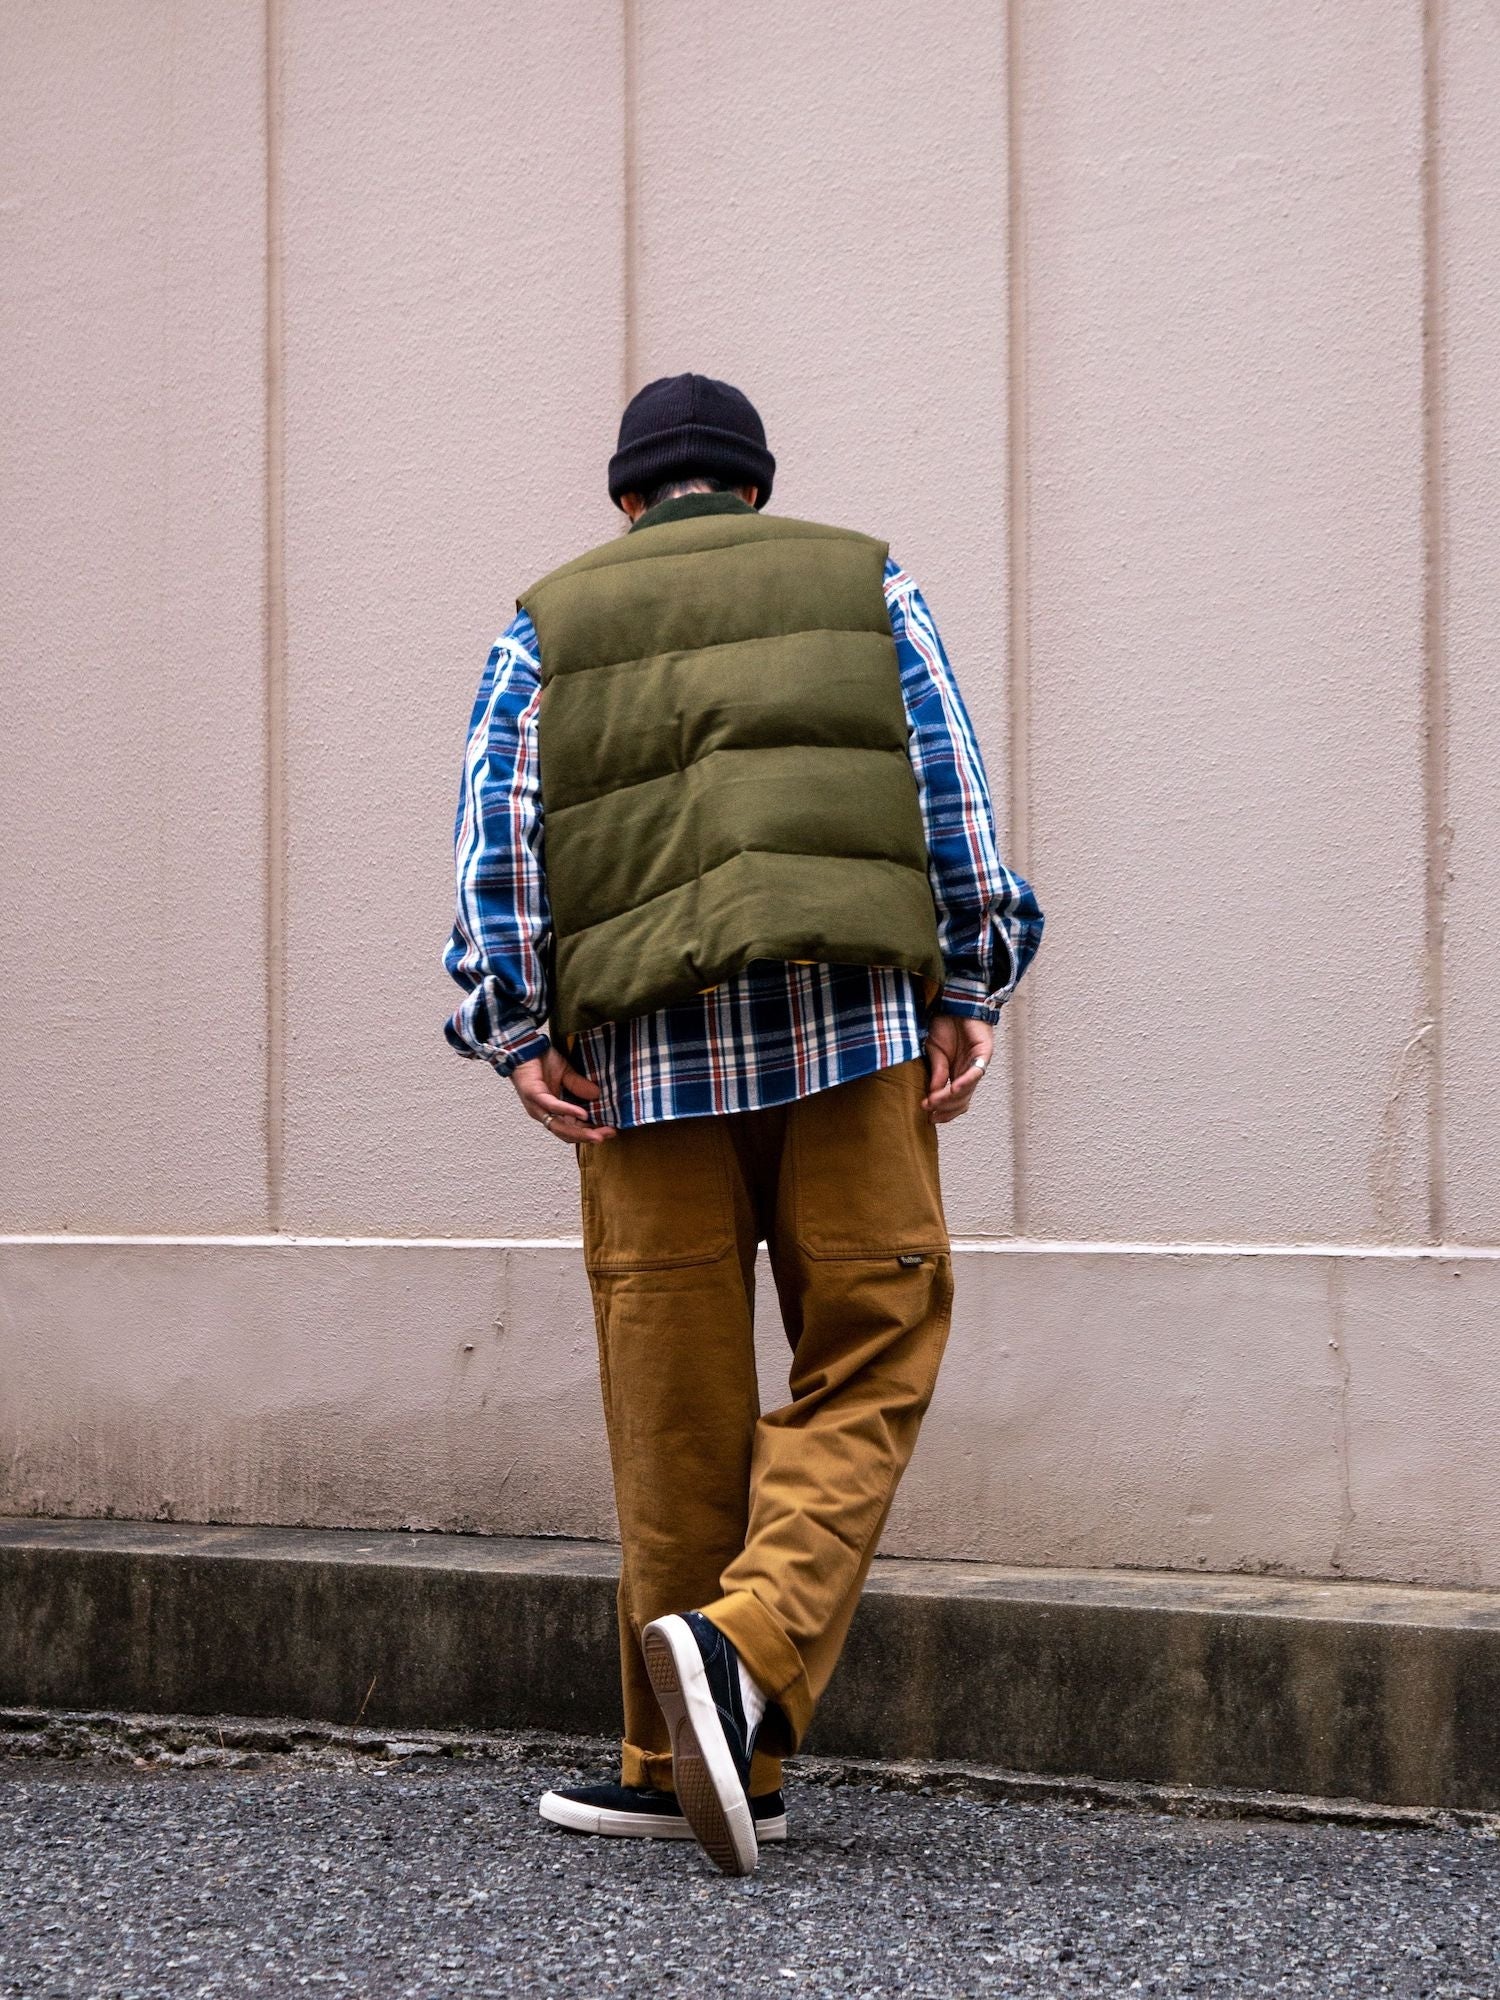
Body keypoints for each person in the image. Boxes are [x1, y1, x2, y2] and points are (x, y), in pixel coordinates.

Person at [444, 373, 1042, 1875]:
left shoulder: (549, 622)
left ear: (627, 499)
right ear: (756, 485)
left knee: (674, 1408)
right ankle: (744, 1656)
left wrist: (515, 1027)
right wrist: (970, 981)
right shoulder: (865, 585)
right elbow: (950, 794)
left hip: (639, 1073)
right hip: (852, 1039)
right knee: (876, 1344)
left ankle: (680, 1762)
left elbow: (496, 833)